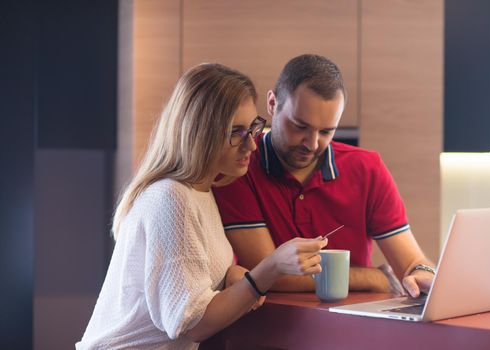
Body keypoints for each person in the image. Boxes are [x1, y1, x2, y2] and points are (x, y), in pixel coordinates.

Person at [76, 63, 327, 349]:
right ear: (200, 131)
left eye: (253, 128)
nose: (252, 146)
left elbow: (187, 286)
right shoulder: (172, 199)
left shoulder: (200, 193)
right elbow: (194, 323)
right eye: (236, 132)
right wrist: (270, 268)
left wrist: (229, 277)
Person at [213, 54, 435, 298]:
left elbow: (412, 261)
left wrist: (422, 273)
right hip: (271, 330)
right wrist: (374, 277)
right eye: (300, 126)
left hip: (356, 327)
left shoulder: (367, 168)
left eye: (326, 131)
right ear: (273, 103)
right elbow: (266, 273)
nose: (312, 143)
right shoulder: (239, 166)